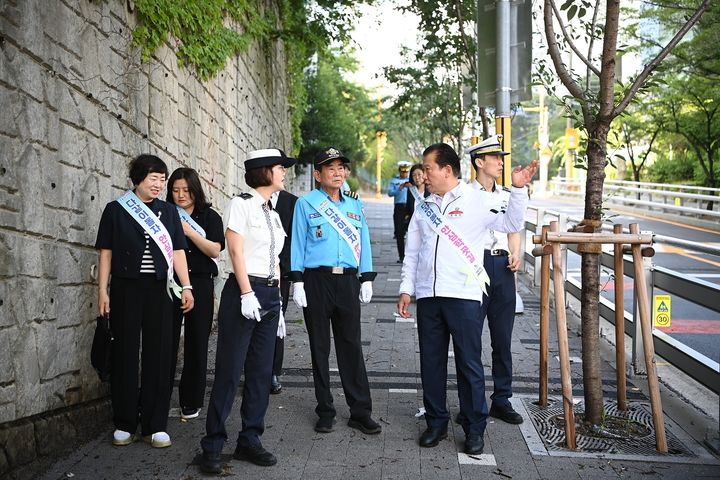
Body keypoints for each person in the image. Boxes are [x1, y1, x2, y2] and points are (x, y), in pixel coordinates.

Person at [397, 143, 537, 455]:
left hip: (462, 295)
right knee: (430, 363)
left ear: (447, 170)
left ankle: (475, 427)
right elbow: (413, 252)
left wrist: (517, 189)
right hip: (429, 296)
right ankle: (436, 422)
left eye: (428, 169)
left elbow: (511, 224)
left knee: (468, 363)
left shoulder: (477, 200)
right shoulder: (424, 207)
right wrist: (407, 288)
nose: (423, 174)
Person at [199, 148, 296, 474]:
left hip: (270, 294)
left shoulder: (274, 212)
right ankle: (212, 443)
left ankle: (249, 439)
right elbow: (236, 252)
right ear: (265, 171)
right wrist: (245, 293)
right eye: (281, 168)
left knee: (260, 372)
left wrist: (279, 306)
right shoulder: (241, 204)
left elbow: (276, 261)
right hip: (245, 292)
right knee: (229, 371)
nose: (284, 173)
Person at [95, 154, 194, 448]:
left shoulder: (169, 212)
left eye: (162, 179)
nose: (159, 184)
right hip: (126, 288)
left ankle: (155, 424)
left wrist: (186, 286)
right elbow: (106, 253)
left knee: (160, 353)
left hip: (160, 290)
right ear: (138, 178)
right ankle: (125, 422)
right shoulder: (116, 210)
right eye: (154, 178)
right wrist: (102, 290)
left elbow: (178, 251)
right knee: (125, 351)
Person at [289, 147, 381, 436]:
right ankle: (325, 410)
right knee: (319, 347)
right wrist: (297, 281)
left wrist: (366, 277)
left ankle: (360, 411)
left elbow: (364, 240)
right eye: (331, 168)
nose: (338, 173)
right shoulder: (306, 204)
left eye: (342, 168)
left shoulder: (354, 206)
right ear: (318, 174)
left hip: (347, 282)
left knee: (351, 346)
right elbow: (297, 244)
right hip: (317, 281)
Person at [465, 135, 524, 425]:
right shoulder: (463, 194)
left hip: (503, 268)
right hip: (474, 267)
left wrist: (516, 254)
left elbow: (514, 229)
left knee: (502, 339)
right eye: (495, 158)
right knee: (470, 340)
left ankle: (502, 399)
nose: (501, 162)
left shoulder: (506, 196)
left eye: (501, 157)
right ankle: (472, 402)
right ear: (479, 162)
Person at [166, 168, 225, 420]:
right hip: (170, 282)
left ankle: (191, 401)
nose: (181, 195)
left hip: (200, 283)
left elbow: (214, 250)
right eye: (176, 190)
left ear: (195, 190)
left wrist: (188, 232)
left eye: (186, 190)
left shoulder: (209, 217)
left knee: (197, 342)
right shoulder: (165, 214)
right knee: (165, 342)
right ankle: (159, 398)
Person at [269, 188, 299, 394]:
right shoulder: (249, 199)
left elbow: (295, 238)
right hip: (254, 269)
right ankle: (254, 371)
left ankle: (273, 371)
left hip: (282, 272)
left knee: (276, 319)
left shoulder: (292, 201)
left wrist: (290, 272)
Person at [387, 161, 412, 262]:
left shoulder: (412, 181)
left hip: (410, 208)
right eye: (403, 172)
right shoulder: (394, 181)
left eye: (406, 172)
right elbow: (390, 193)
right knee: (399, 233)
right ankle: (402, 257)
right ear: (400, 171)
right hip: (399, 207)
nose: (404, 174)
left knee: (412, 232)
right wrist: (399, 188)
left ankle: (411, 256)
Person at [404, 163, 429, 229]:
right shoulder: (411, 190)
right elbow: (409, 208)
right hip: (414, 226)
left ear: (424, 175)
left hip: (427, 226)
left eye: (419, 174)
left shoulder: (431, 191)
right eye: (414, 175)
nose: (417, 178)